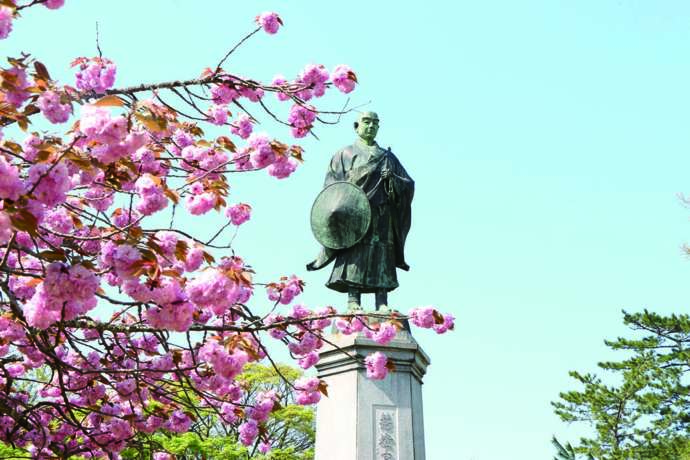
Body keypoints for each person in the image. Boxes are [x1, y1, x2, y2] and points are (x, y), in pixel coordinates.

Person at [307, 112, 414, 310]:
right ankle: (353, 300)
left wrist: (393, 179)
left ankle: (382, 301)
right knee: (355, 253)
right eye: (367, 122)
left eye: (375, 123)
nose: (371, 126)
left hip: (382, 214)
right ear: (357, 126)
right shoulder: (344, 154)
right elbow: (331, 188)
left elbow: (408, 185)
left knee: (382, 253)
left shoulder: (388, 157)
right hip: (353, 215)